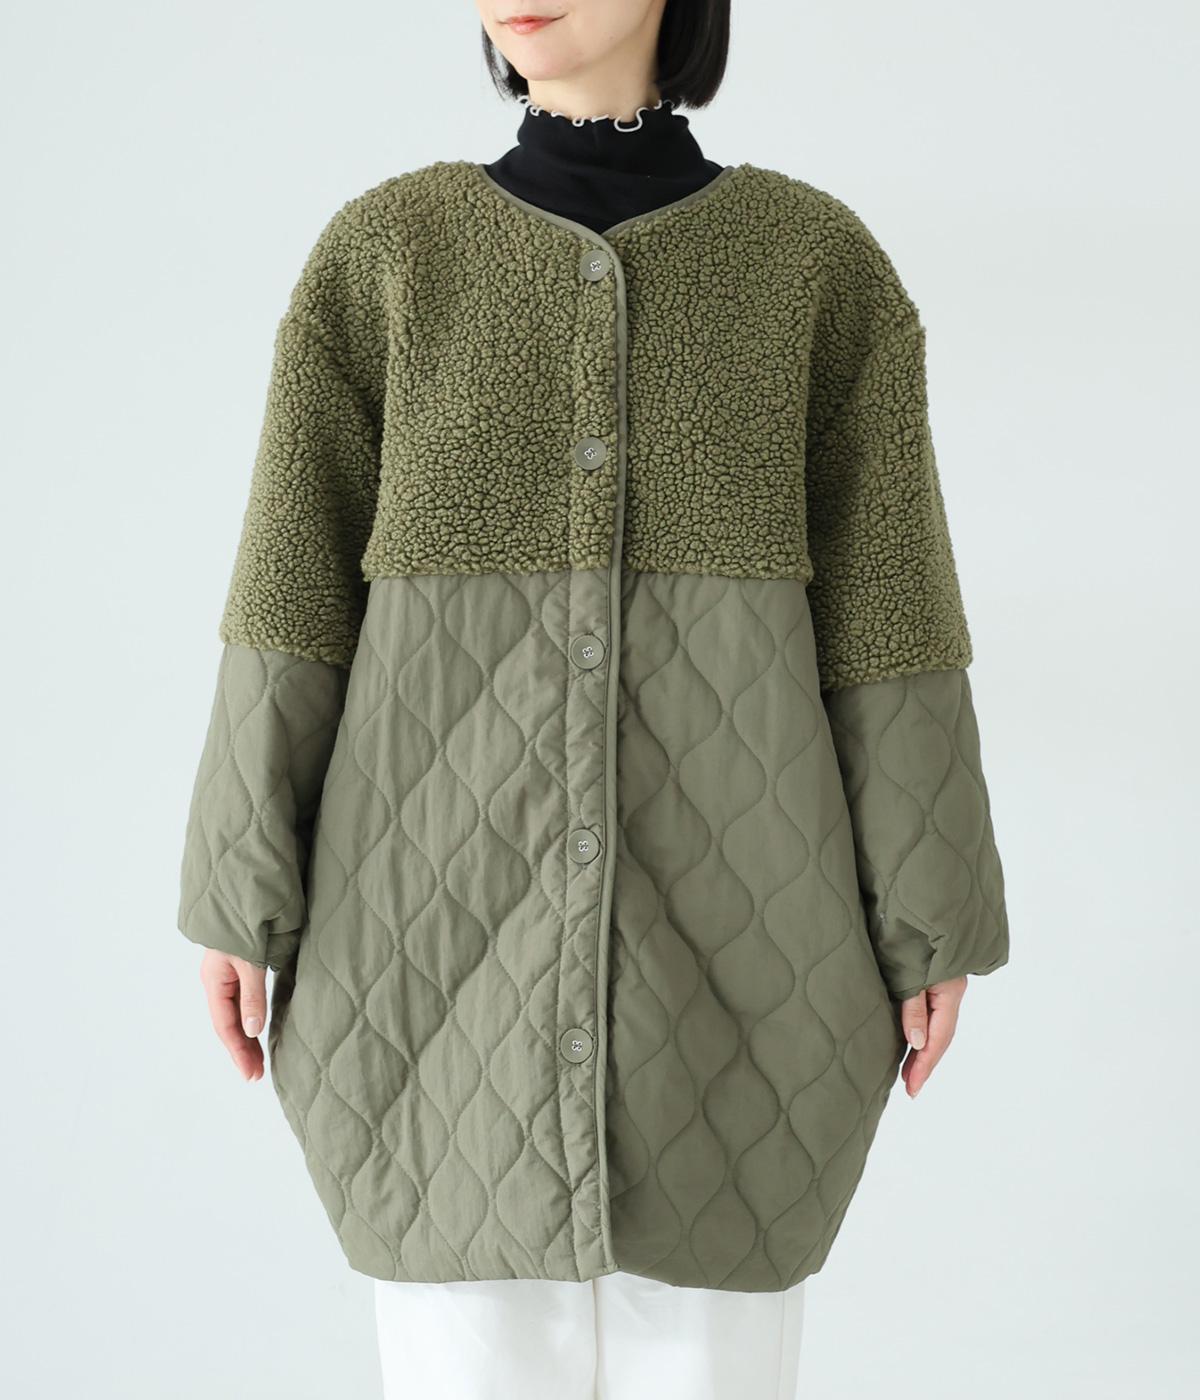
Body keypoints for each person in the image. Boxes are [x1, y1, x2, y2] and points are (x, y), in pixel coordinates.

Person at [175, 3, 1010, 1397]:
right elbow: (289, 594)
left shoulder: (814, 271)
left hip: (746, 974)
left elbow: (891, 609)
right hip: (425, 970)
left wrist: (933, 912)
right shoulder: (387, 259)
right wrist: (235, 886)